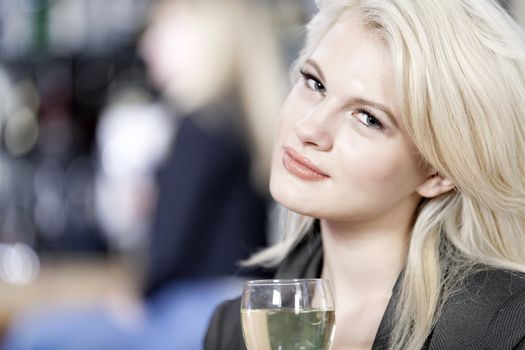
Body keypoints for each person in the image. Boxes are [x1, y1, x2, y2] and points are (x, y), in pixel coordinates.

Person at [205, 0, 525, 349]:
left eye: (368, 118)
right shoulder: (232, 330)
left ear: (438, 172)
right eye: (314, 83)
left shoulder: (501, 328)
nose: (309, 127)